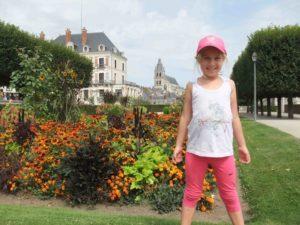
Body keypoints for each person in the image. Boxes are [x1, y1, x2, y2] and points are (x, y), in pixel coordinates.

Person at [172, 35, 251, 225]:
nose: (212, 63)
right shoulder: (193, 87)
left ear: (224, 58)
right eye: (206, 58)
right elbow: (185, 117)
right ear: (198, 59)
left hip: (223, 152)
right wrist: (178, 146)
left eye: (217, 58)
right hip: (196, 152)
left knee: (229, 194)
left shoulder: (229, 85)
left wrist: (242, 145)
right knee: (192, 192)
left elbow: (234, 116)